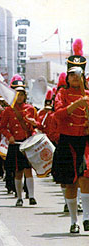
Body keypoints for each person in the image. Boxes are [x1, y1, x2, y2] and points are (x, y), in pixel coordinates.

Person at [52, 39, 89, 233]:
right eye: (72, 75)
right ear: (67, 77)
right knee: (71, 183)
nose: (75, 78)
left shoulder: (88, 94)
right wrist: (76, 104)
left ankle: (87, 218)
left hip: (84, 141)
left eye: (79, 75)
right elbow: (57, 115)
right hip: (67, 141)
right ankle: (74, 221)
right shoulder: (62, 94)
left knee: (86, 177)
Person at [0, 74, 38, 207]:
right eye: (17, 94)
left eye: (21, 94)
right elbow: (2, 127)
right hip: (15, 143)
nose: (19, 97)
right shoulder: (8, 110)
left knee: (28, 170)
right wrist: (9, 136)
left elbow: (35, 126)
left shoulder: (30, 109)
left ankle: (32, 196)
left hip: (27, 144)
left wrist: (33, 134)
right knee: (18, 171)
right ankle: (19, 197)